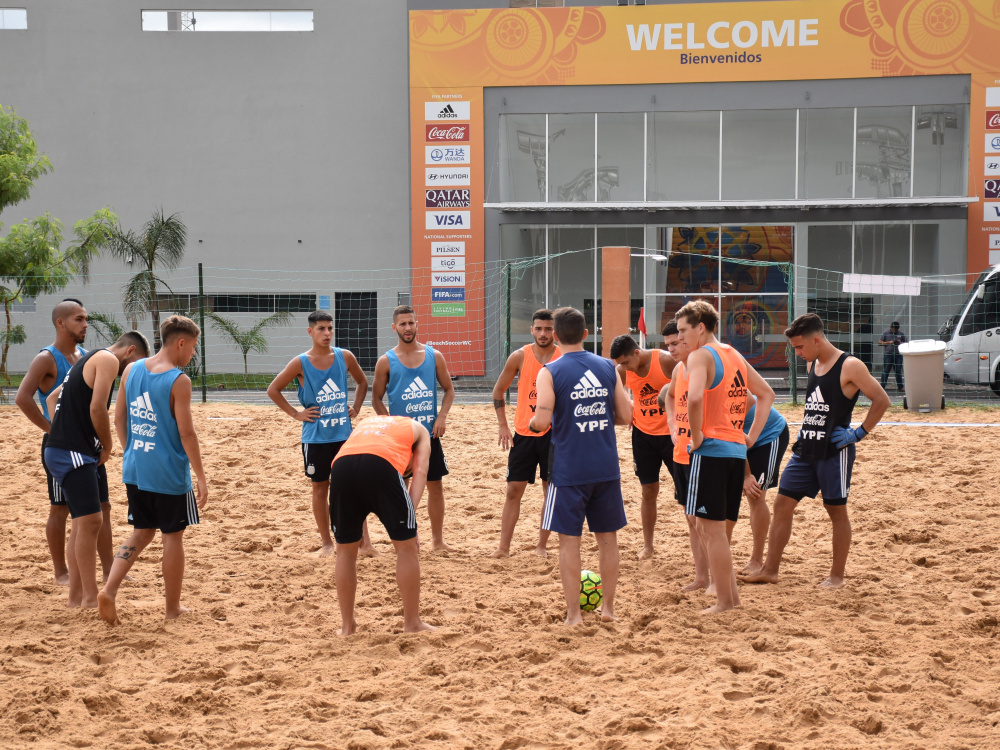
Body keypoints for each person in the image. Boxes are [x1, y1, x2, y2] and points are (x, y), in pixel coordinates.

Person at [741, 313, 890, 588]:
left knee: (836, 511)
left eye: (799, 347)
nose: (797, 353)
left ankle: (836, 577)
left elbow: (882, 399)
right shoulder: (813, 365)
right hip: (805, 449)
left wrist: (858, 433)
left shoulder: (850, 365)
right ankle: (770, 570)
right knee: (782, 503)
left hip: (835, 451)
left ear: (817, 340)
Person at [99, 316, 207, 624]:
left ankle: (109, 589)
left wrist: (133, 449)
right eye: (194, 347)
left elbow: (118, 418)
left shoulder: (132, 369)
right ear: (181, 343)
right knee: (173, 537)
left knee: (141, 532)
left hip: (135, 468)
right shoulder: (178, 380)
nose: (193, 354)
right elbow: (187, 434)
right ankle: (172, 608)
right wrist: (200, 475)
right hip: (169, 473)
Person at [529, 306, 632, 626]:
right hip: (604, 465)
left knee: (568, 542)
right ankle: (609, 610)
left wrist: (533, 423)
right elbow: (626, 417)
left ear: (556, 337)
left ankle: (574, 614)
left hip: (569, 469)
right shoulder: (607, 366)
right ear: (587, 334)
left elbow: (542, 420)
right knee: (608, 540)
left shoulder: (550, 371)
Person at [674, 300, 774, 614]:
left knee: (710, 530)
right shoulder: (733, 354)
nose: (681, 338)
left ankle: (723, 602)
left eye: (683, 330)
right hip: (734, 451)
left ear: (700, 327)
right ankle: (732, 599)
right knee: (711, 529)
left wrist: (697, 435)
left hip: (713, 451)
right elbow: (766, 394)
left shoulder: (701, 355)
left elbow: (694, 398)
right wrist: (751, 436)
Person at [43, 331, 149, 609]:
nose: (132, 374)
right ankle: (89, 597)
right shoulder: (107, 360)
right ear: (130, 351)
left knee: (84, 522)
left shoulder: (87, 359)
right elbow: (98, 410)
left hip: (73, 449)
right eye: (134, 366)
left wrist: (64, 429)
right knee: (89, 522)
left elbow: (52, 399)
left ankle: (77, 596)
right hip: (74, 452)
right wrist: (107, 445)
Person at [15, 299, 115, 584]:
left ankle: (109, 570)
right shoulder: (46, 358)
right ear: (61, 323)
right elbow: (22, 398)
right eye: (79, 319)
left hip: (88, 445)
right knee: (60, 508)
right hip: (62, 447)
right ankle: (61, 572)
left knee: (103, 507)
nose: (85, 324)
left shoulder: (83, 355)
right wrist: (51, 428)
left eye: (86, 319)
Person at [267, 310, 373, 557]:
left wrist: (356, 408)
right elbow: (273, 390)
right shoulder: (300, 362)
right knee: (320, 489)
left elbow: (362, 382)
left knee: (353, 489)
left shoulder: (344, 356)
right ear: (310, 331)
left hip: (344, 437)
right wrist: (296, 414)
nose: (326, 333)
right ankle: (327, 544)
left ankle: (365, 543)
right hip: (316, 439)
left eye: (329, 328)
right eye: (321, 329)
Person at [329, 415, 435, 636]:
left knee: (345, 552)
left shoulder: (369, 422)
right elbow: (420, 473)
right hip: (381, 465)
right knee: (406, 548)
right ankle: (412, 623)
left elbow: (360, 462)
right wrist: (410, 522)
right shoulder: (422, 431)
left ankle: (347, 627)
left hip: (340, 466)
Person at [372, 305, 455, 551]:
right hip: (401, 438)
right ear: (394, 327)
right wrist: (389, 423)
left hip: (429, 435)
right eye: (402, 324)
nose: (407, 328)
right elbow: (375, 398)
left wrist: (441, 417)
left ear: (417, 324)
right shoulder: (386, 361)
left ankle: (438, 541)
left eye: (411, 323)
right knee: (402, 489)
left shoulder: (434, 355)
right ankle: (408, 538)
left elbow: (449, 390)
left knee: (435, 486)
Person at [489, 309, 561, 558]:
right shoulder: (519, 356)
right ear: (531, 330)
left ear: (555, 331)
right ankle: (503, 548)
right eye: (539, 328)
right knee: (513, 490)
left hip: (554, 435)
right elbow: (498, 391)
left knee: (550, 491)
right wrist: (502, 425)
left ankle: (542, 546)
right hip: (524, 433)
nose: (543, 333)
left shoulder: (563, 357)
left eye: (548, 328)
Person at [610, 333, 676, 560]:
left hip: (672, 435)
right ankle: (648, 545)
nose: (624, 367)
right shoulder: (622, 371)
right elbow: (617, 398)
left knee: (686, 494)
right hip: (643, 435)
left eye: (626, 362)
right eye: (620, 364)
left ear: (636, 352)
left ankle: (700, 542)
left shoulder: (665, 360)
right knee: (648, 491)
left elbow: (689, 384)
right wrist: (629, 410)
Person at [660, 319, 710, 593]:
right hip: (681, 454)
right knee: (691, 520)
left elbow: (747, 400)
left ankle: (715, 578)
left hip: (703, 453)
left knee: (705, 520)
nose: (671, 349)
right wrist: (671, 424)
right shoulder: (680, 369)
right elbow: (668, 395)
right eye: (668, 344)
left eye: (676, 342)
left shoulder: (706, 365)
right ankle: (702, 576)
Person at [738, 394, 789, 576]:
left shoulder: (719, 378)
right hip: (741, 437)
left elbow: (733, 435)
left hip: (768, 436)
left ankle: (756, 559)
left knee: (755, 495)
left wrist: (747, 475)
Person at [879, 321, 906, 391]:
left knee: (898, 371)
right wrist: (889, 342)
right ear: (891, 327)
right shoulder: (885, 333)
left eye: (896, 330)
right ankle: (882, 387)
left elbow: (906, 343)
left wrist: (901, 343)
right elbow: (879, 342)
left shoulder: (901, 333)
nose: (895, 331)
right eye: (894, 330)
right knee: (886, 370)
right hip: (888, 354)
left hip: (898, 355)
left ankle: (900, 387)